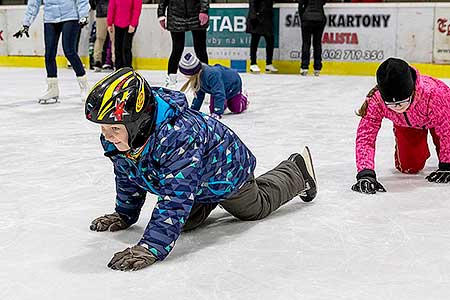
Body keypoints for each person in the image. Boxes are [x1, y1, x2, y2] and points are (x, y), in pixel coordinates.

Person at [85, 67, 318, 271]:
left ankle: (296, 169)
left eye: (113, 128)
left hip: (226, 172)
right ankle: (204, 200)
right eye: (103, 127)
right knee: (184, 224)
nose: (106, 135)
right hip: (194, 181)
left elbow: (175, 198)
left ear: (138, 122)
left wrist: (151, 247)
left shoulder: (177, 136)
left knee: (255, 208)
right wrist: (125, 214)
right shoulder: (116, 138)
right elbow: (128, 176)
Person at [352, 57, 450, 194]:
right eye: (391, 105)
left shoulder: (435, 94)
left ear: (412, 92)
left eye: (402, 102)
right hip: (408, 125)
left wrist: (447, 165)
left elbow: (447, 130)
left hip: (442, 120)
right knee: (409, 167)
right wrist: (365, 174)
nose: (397, 108)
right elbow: (365, 137)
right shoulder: (376, 101)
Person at [13, 0, 90, 104]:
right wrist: (26, 23)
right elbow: (34, 3)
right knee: (49, 54)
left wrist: (83, 15)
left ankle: (84, 86)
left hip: (70, 16)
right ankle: (52, 89)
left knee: (69, 51)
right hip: (50, 18)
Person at [179, 53, 248, 119]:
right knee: (213, 109)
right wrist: (193, 111)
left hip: (232, 84)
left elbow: (219, 94)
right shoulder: (196, 78)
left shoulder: (211, 75)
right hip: (219, 88)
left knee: (235, 109)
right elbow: (199, 96)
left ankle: (243, 97)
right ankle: (225, 101)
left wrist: (217, 112)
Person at [158, 0, 209, 88]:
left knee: (200, 49)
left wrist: (204, 11)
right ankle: (171, 79)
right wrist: (161, 15)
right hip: (175, 16)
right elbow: (163, 1)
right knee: (177, 49)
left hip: (196, 15)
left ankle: (205, 78)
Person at [107, 0, 142, 69]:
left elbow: (137, 8)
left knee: (126, 47)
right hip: (117, 23)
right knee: (118, 48)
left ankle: (127, 68)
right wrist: (109, 23)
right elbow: (112, 6)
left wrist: (133, 24)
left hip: (129, 24)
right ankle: (118, 68)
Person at [246, 0, 278, 74]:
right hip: (257, 18)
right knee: (255, 41)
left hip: (267, 19)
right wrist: (254, 16)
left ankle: (269, 63)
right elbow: (252, 3)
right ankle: (253, 63)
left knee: (270, 40)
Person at [298, 0, 326, 76]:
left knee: (306, 43)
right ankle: (317, 68)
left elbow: (300, 5)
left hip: (307, 19)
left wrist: (303, 17)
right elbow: (323, 2)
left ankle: (304, 67)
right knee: (317, 43)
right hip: (320, 18)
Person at [90, 0, 115, 71]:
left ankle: (97, 61)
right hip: (112, 13)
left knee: (99, 39)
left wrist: (94, 6)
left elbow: (92, 3)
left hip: (100, 14)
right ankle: (115, 60)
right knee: (113, 40)